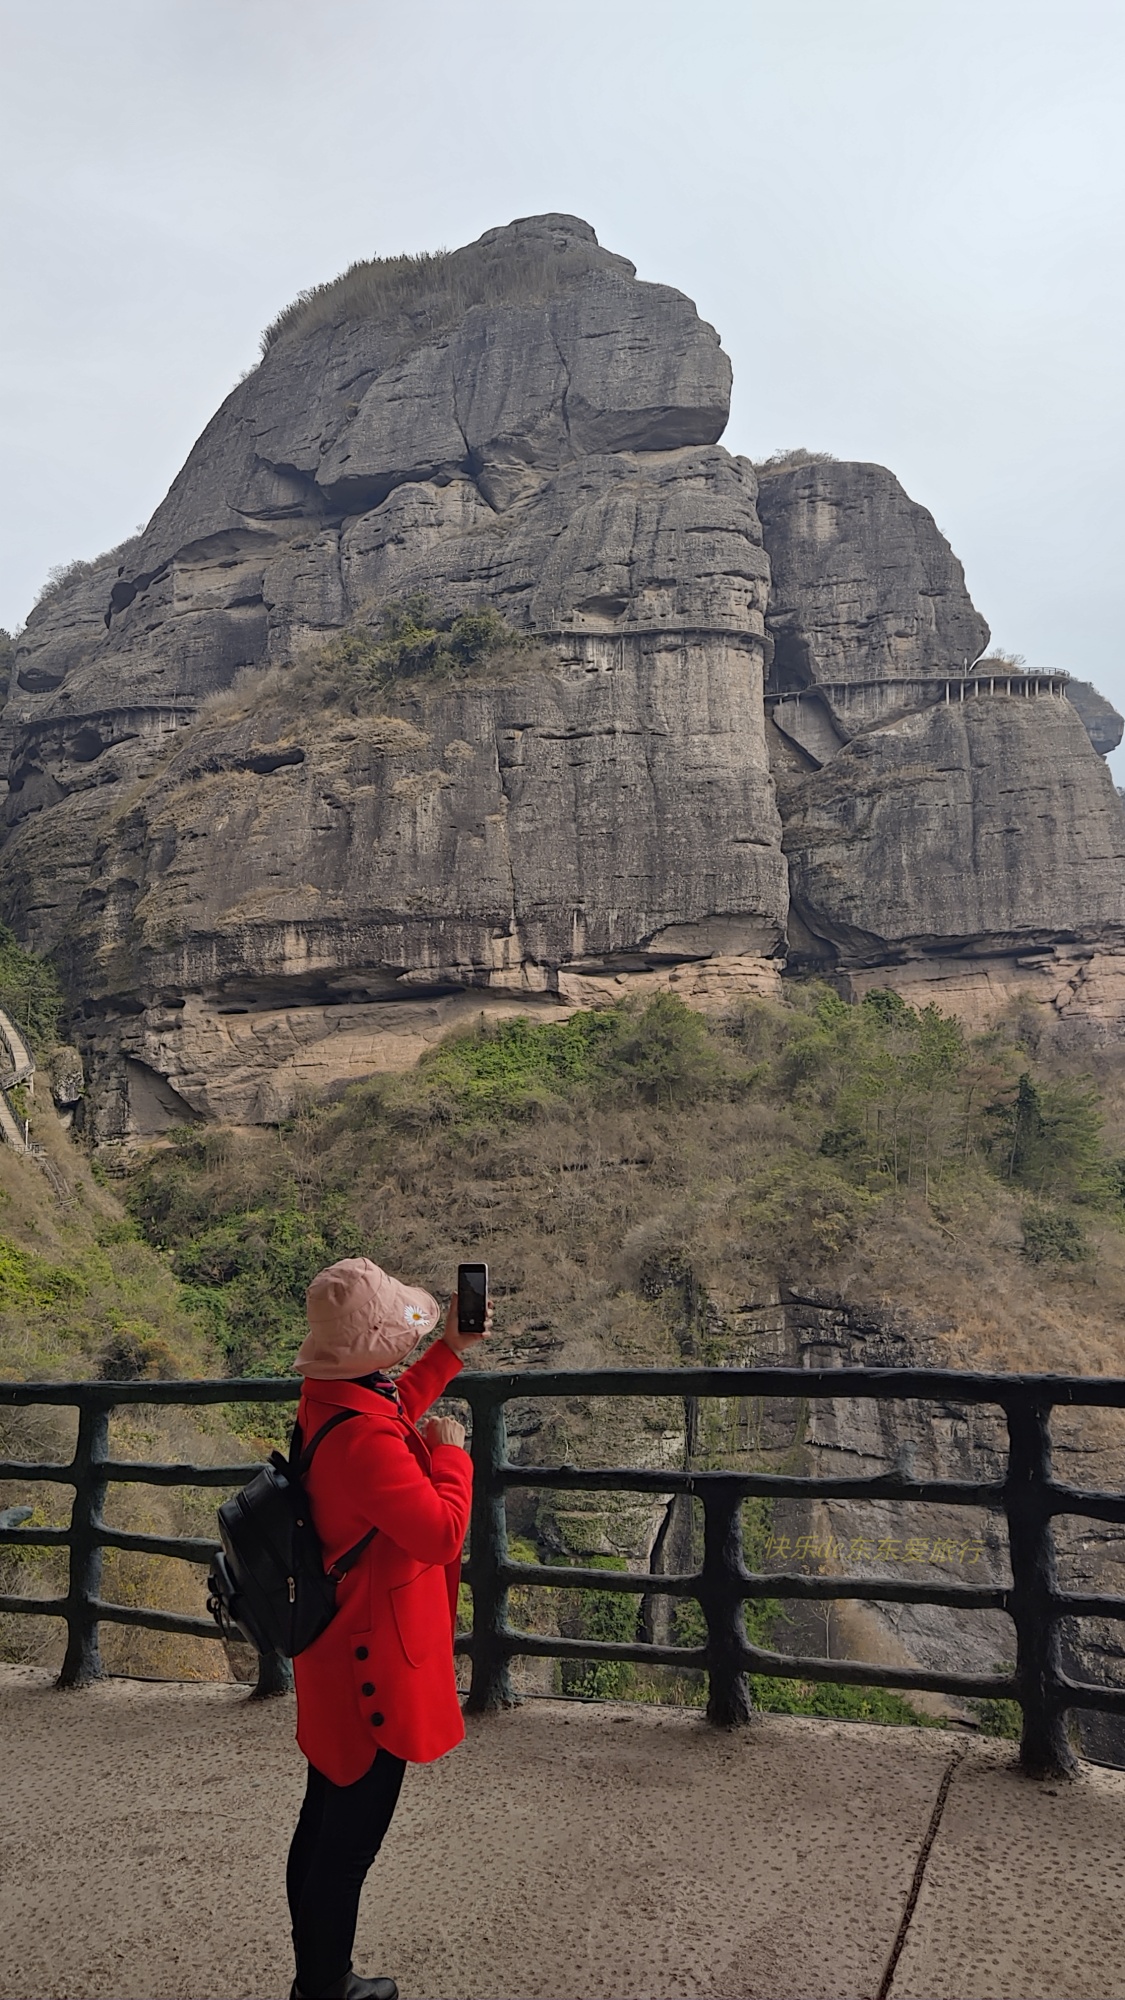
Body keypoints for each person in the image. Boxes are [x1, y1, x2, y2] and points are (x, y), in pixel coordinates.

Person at [285, 1256, 489, 2000]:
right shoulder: (366, 1442)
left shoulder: (328, 1401)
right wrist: (451, 1457)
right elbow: (439, 1533)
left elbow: (390, 1403)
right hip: (371, 1663)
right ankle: (325, 1986)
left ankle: (317, 1974)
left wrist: (451, 1355)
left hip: (332, 1645)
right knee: (347, 1841)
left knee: (322, 1815)